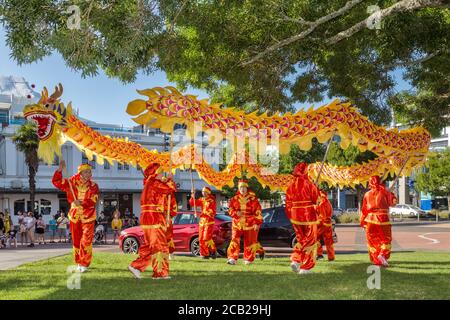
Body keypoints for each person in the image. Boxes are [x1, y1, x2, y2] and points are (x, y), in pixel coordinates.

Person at [128, 163, 177, 280]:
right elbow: (170, 189)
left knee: (150, 246)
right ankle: (160, 273)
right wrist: (170, 179)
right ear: (155, 173)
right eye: (160, 172)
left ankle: (136, 266)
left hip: (147, 218)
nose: (162, 174)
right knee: (160, 245)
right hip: (154, 217)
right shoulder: (154, 183)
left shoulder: (149, 183)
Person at [52, 160, 99, 273]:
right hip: (74, 215)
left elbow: (94, 199)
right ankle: (79, 262)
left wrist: (82, 203)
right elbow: (56, 182)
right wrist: (60, 169)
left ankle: (84, 263)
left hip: (88, 216)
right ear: (81, 173)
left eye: (89, 172)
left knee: (86, 239)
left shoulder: (93, 185)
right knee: (76, 240)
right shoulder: (71, 182)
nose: (88, 174)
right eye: (86, 172)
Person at [285, 162, 320, 275]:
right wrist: (316, 187)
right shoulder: (309, 184)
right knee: (310, 240)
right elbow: (317, 200)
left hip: (295, 215)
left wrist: (291, 216)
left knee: (301, 239)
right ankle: (305, 267)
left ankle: (296, 259)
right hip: (308, 214)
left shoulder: (291, 186)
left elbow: (288, 204)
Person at [360, 175, 397, 267]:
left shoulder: (367, 194)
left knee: (372, 241)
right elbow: (393, 203)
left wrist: (363, 223)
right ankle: (382, 254)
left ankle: (377, 260)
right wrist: (391, 194)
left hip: (370, 219)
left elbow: (364, 210)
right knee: (386, 239)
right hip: (383, 218)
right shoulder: (385, 192)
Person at [226, 179, 265, 265]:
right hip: (237, 223)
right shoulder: (234, 199)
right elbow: (230, 209)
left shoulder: (253, 199)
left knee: (250, 241)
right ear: (238, 188)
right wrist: (236, 213)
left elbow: (258, 211)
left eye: (244, 187)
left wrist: (257, 223)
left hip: (250, 223)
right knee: (234, 240)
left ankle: (248, 258)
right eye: (241, 187)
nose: (242, 189)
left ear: (247, 188)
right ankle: (232, 257)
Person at [189, 186, 217, 259]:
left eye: (205, 192)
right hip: (202, 221)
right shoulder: (202, 199)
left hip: (209, 221)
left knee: (206, 238)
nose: (203, 193)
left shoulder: (211, 200)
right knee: (201, 238)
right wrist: (192, 195)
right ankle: (205, 254)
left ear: (208, 193)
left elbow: (211, 211)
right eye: (202, 192)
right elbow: (193, 203)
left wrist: (201, 214)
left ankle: (213, 250)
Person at [316, 190, 335, 261]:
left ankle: (319, 254)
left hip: (322, 224)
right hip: (328, 224)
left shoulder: (321, 203)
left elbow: (322, 216)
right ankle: (331, 256)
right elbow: (330, 213)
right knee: (329, 241)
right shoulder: (328, 203)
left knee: (316, 238)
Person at [162, 177, 177, 259]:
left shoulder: (171, 197)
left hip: (167, 218)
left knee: (168, 236)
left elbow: (175, 208)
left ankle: (170, 253)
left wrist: (170, 215)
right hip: (159, 218)